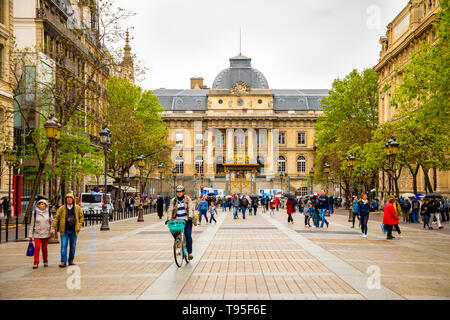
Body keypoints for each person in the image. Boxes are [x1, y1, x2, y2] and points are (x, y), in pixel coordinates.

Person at [51, 194, 84, 268]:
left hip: (74, 230)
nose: (69, 199)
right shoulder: (62, 208)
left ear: (73, 199)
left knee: (73, 246)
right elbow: (56, 218)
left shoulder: (77, 208)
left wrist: (78, 226)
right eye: (67, 198)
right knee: (64, 246)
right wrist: (53, 227)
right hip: (64, 230)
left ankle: (71, 260)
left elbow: (81, 218)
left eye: (70, 198)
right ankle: (63, 261)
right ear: (65, 200)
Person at [167, 185, 197, 260]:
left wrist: (190, 217)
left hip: (187, 220)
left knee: (188, 236)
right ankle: (178, 243)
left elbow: (190, 208)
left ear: (183, 192)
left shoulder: (187, 199)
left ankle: (189, 253)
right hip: (177, 221)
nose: (179, 193)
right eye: (178, 192)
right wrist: (168, 219)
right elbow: (170, 210)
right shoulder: (173, 200)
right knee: (174, 232)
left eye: (180, 192)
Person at [28, 199, 53, 269]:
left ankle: (45, 261)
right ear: (38, 205)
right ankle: (36, 263)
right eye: (42, 204)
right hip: (37, 233)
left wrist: (52, 229)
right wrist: (30, 235)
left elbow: (52, 222)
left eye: (44, 204)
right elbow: (32, 224)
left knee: (44, 248)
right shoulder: (35, 213)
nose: (43, 205)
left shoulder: (49, 212)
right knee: (37, 248)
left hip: (46, 233)